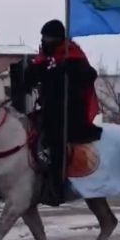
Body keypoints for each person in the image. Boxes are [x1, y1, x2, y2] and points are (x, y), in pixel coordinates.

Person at [28, 19, 101, 206]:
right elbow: (31, 78)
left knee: (56, 142)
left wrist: (71, 70)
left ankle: (57, 188)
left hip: (69, 112)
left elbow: (90, 74)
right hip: (47, 110)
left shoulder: (72, 55)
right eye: (43, 37)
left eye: (48, 37)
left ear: (58, 38)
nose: (44, 40)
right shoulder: (43, 59)